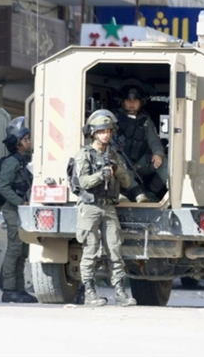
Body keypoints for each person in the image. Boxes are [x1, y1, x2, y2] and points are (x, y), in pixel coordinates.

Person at [73, 109, 137, 307]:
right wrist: (101, 175)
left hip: (108, 207)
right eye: (102, 131)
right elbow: (83, 182)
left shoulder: (114, 155)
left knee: (115, 250)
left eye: (108, 131)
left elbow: (127, 182)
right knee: (90, 250)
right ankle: (89, 292)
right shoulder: (84, 155)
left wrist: (117, 170)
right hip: (90, 207)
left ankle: (120, 292)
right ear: (94, 133)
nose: (106, 135)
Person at [0, 117, 38, 304]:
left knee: (23, 251)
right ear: (17, 144)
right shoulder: (11, 163)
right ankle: (9, 290)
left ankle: (20, 289)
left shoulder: (23, 162)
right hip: (12, 210)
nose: (29, 142)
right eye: (26, 140)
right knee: (14, 250)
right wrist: (20, 202)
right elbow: (3, 187)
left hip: (21, 210)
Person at [114, 85, 168, 202]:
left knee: (164, 162)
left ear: (141, 102)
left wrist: (158, 153)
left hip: (139, 163)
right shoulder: (114, 119)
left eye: (135, 100)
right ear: (122, 102)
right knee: (118, 162)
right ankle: (138, 193)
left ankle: (156, 192)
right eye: (128, 100)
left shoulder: (145, 120)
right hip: (120, 164)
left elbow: (154, 140)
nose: (132, 103)